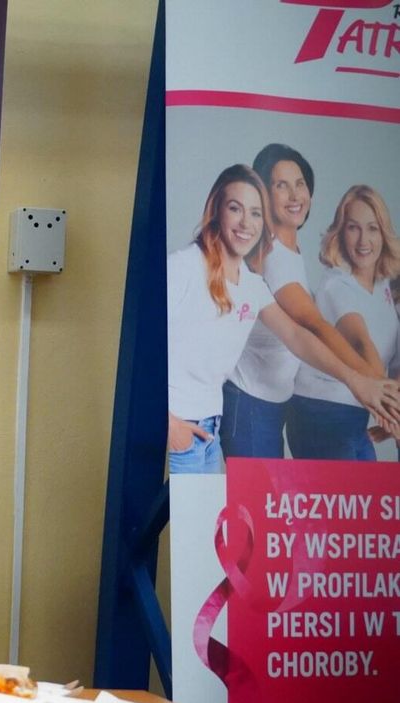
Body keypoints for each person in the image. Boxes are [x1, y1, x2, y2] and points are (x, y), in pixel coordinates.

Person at [167, 165, 399, 474]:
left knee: (228, 506)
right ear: (216, 210)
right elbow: (143, 347)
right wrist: (169, 424)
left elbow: (296, 336)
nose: (246, 223)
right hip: (183, 426)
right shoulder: (184, 267)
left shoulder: (250, 283)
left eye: (255, 213)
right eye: (235, 208)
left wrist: (355, 380)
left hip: (209, 428)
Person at [221, 145, 377, 458]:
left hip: (271, 404)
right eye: (281, 185)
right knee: (256, 490)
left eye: (300, 183)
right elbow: (311, 325)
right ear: (263, 194)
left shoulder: (287, 249)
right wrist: (370, 382)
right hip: (249, 404)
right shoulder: (274, 257)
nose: (294, 195)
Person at [287, 185, 400, 461]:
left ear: (383, 233)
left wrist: (392, 406)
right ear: (340, 232)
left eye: (372, 228)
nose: (363, 240)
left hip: (355, 413)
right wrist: (391, 410)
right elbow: (361, 343)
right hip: (319, 412)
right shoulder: (336, 284)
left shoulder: (384, 285)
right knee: (354, 487)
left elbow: (394, 360)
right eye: (353, 228)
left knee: (370, 487)